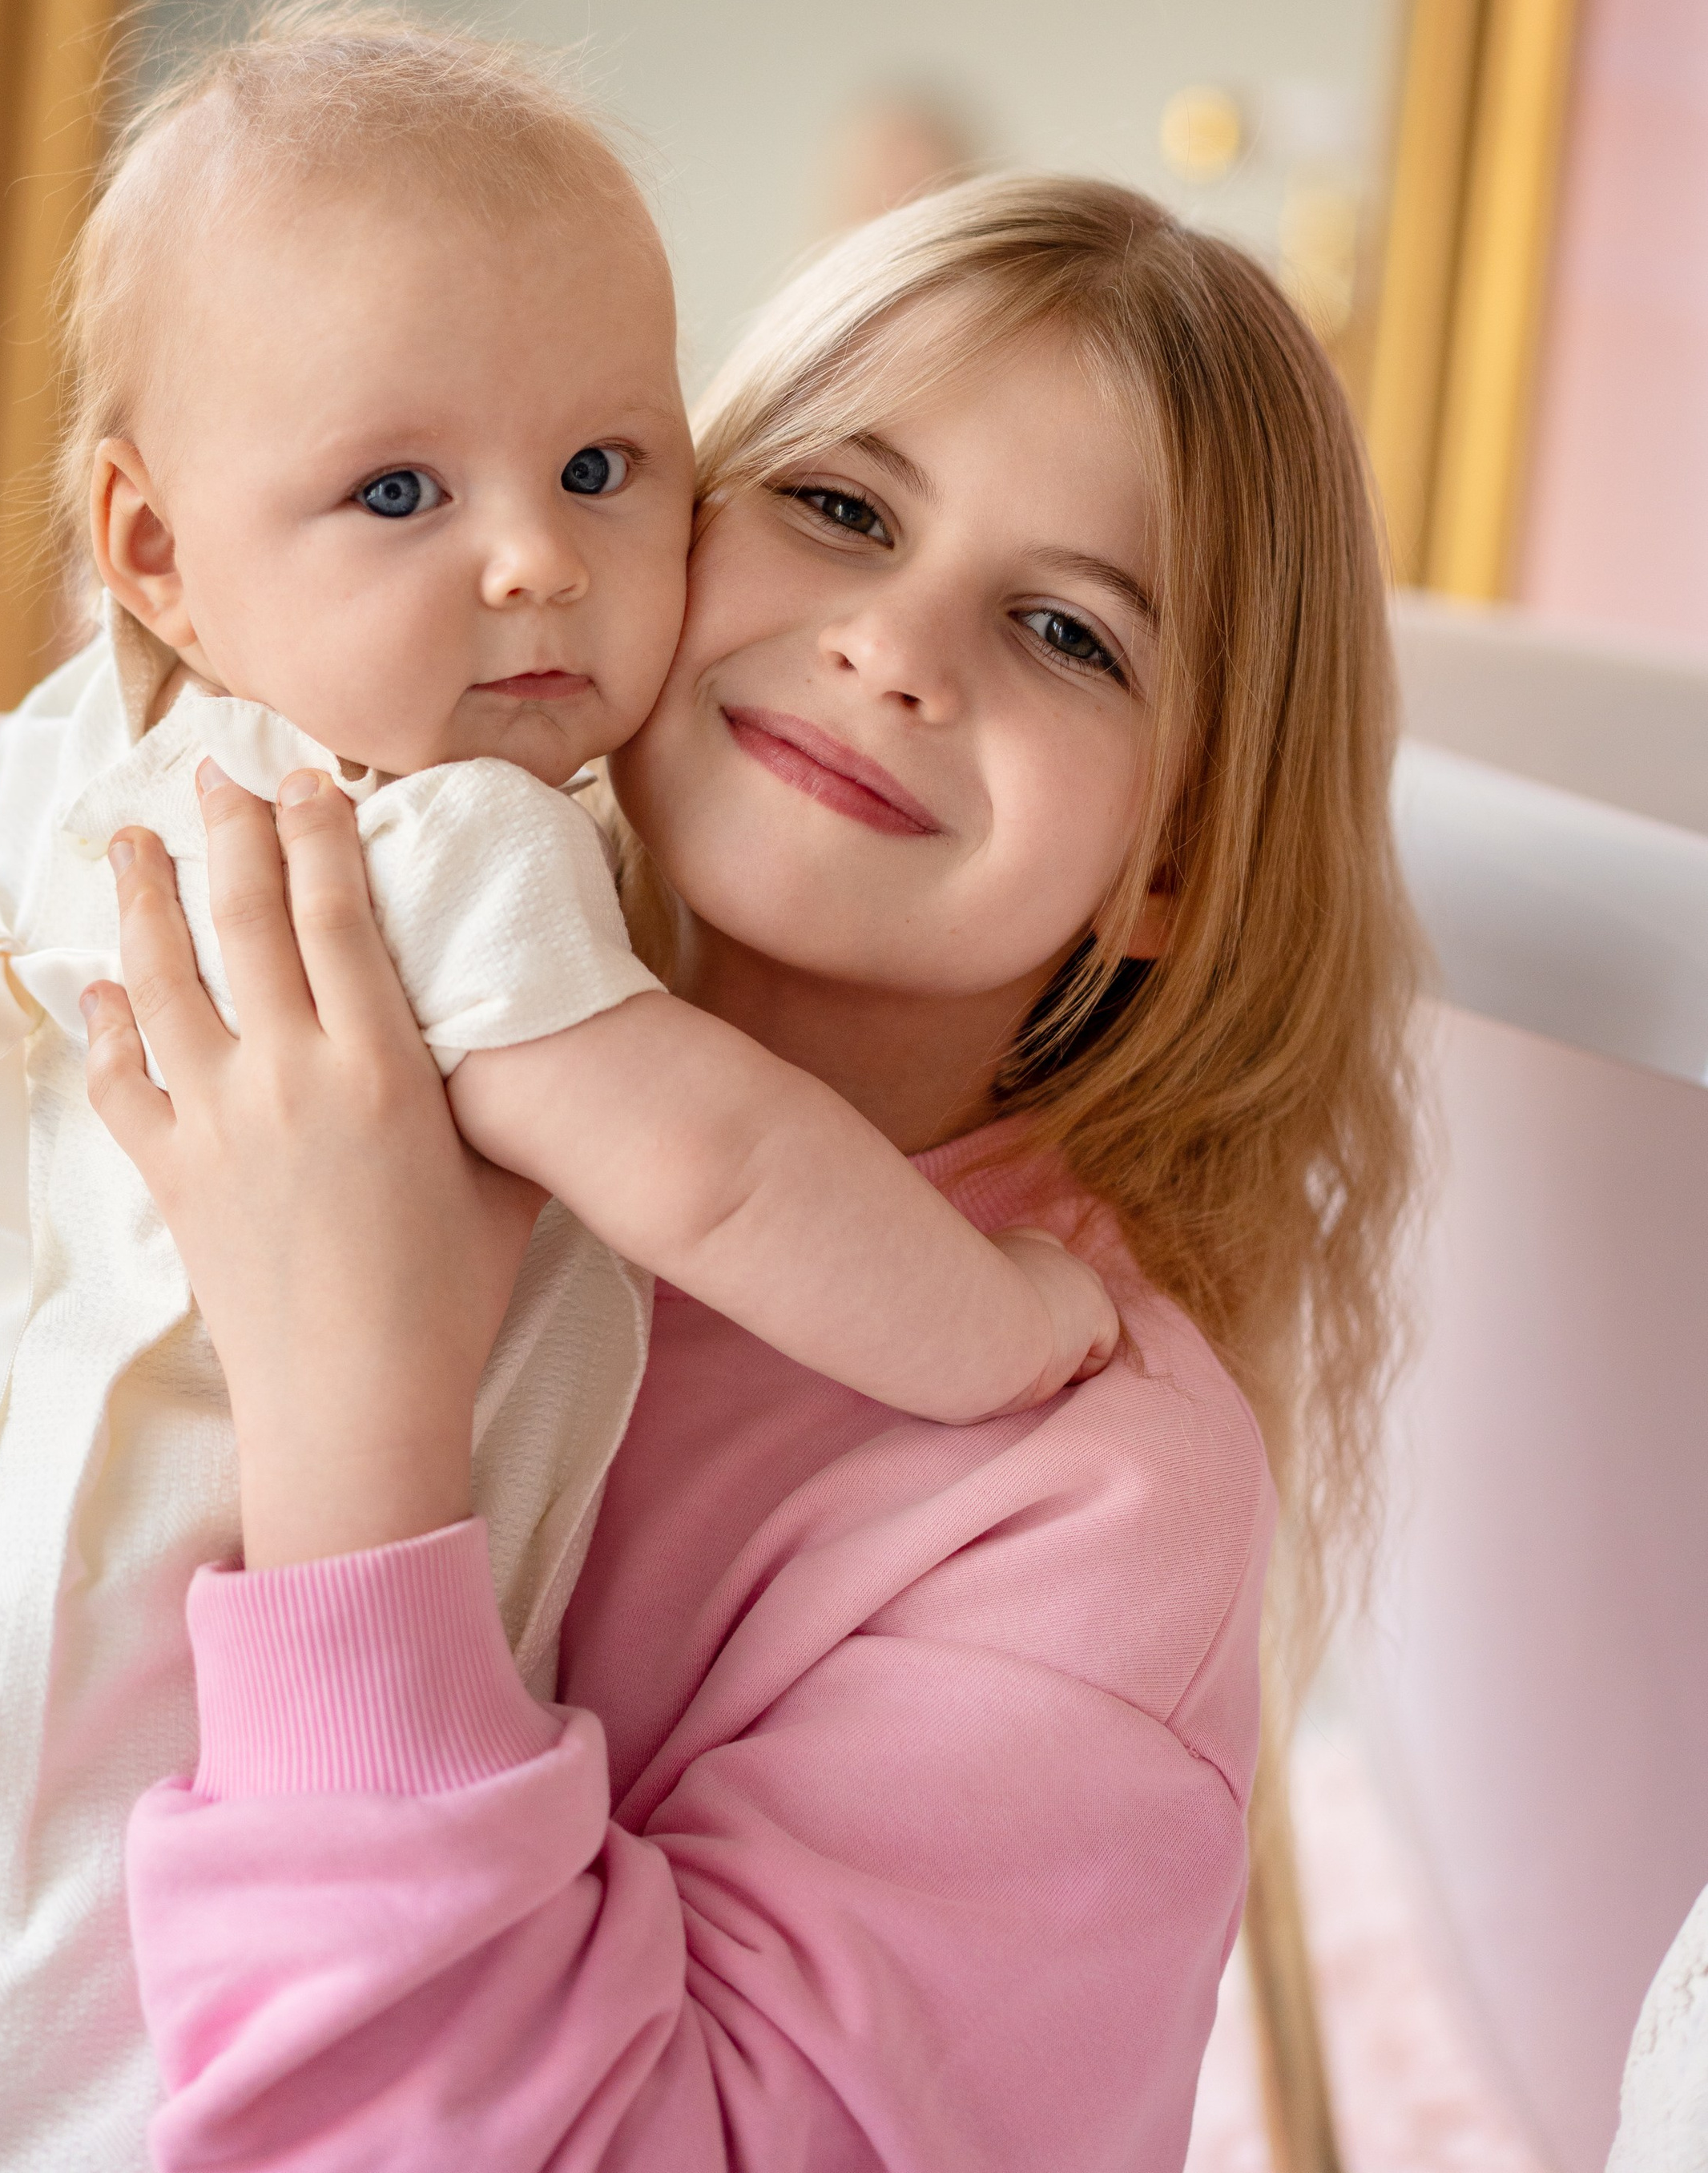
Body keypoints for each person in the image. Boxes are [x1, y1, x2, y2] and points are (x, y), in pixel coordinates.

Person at [0, 6, 1112, 2173]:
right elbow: (712, 1170)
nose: (533, 563)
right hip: (165, 1631)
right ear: (156, 549)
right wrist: (1002, 1325)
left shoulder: (103, 747)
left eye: (601, 471)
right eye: (402, 494)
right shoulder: (437, 846)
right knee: (43, 2002)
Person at [91, 170, 1422, 2170]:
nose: (893, 650)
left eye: (1064, 632)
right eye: (841, 510)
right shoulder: (383, 931)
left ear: (1173, 861)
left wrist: (348, 1402)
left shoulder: (1087, 1487)